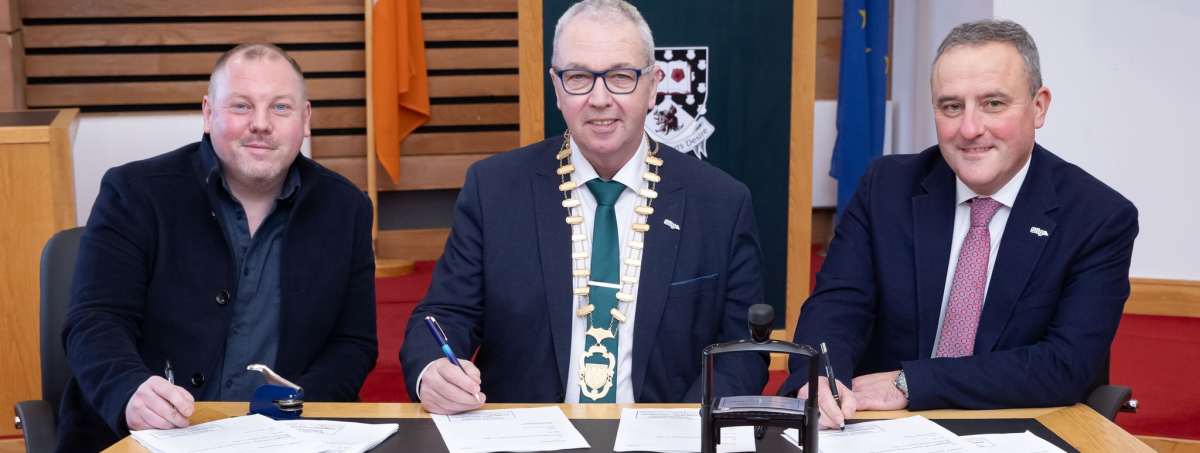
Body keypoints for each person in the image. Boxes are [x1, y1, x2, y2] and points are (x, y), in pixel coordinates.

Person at [398, 0, 768, 414]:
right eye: (579, 77)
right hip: (525, 436)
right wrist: (433, 370)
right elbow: (444, 314)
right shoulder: (494, 189)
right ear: (557, 87)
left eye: (621, 77)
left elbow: (743, 353)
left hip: (664, 436)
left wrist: (682, 428)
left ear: (653, 86)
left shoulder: (722, 204)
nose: (599, 98)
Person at [782, 19, 1139, 429]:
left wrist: (910, 383)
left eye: (993, 104)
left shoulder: (1098, 217)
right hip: (880, 428)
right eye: (952, 106)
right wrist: (820, 378)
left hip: (1016, 426)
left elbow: (1063, 364)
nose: (969, 129)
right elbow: (837, 305)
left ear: (1039, 107)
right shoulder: (886, 187)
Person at [58, 43, 378, 452]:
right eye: (241, 106)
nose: (260, 124)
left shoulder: (346, 208)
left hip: (287, 439)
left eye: (280, 107)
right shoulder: (134, 193)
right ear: (208, 114)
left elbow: (353, 343)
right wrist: (129, 390)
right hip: (146, 438)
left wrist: (298, 411)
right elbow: (94, 320)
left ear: (305, 119)